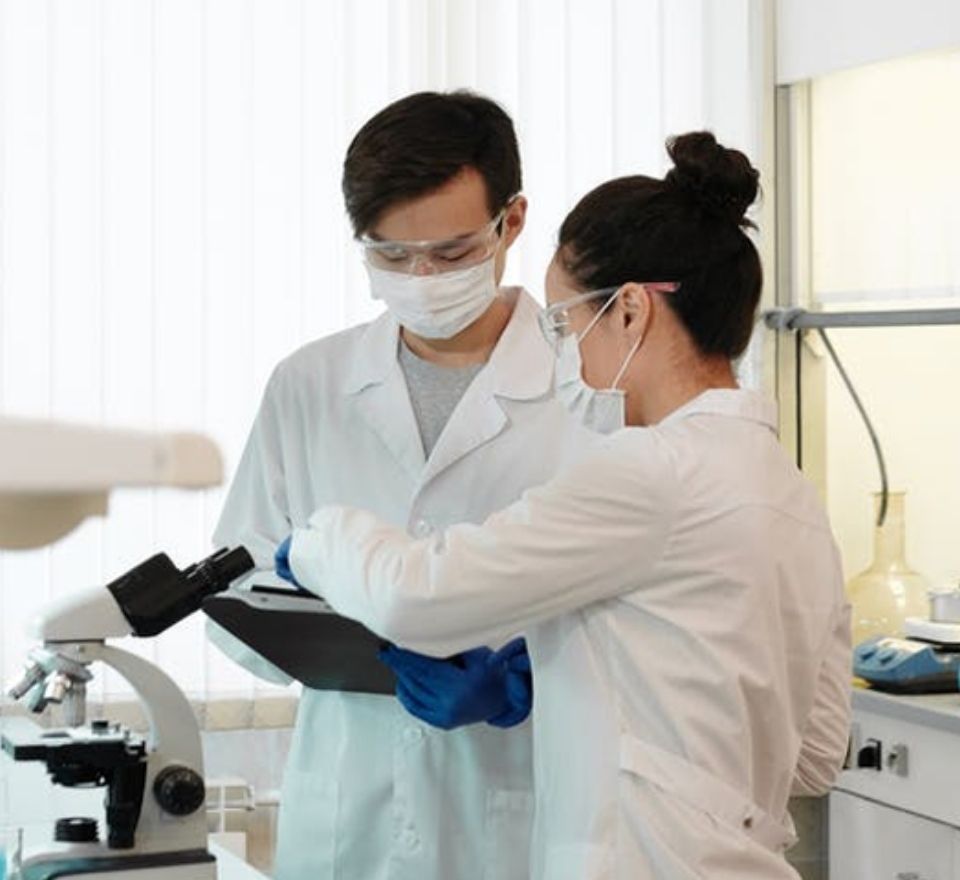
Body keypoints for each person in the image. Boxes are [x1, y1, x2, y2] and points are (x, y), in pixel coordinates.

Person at [280, 132, 853, 880]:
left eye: (560, 322)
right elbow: (813, 754)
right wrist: (561, 683)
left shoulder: (651, 472)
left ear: (628, 312)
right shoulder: (788, 492)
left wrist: (316, 540)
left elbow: (415, 593)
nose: (559, 351)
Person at [209, 91, 595, 880]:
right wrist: (322, 627)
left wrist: (529, 677)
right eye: (390, 256)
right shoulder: (310, 384)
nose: (421, 277)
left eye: (452, 254)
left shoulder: (590, 387)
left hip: (519, 809)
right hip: (349, 812)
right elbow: (237, 577)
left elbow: (648, 617)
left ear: (511, 222)